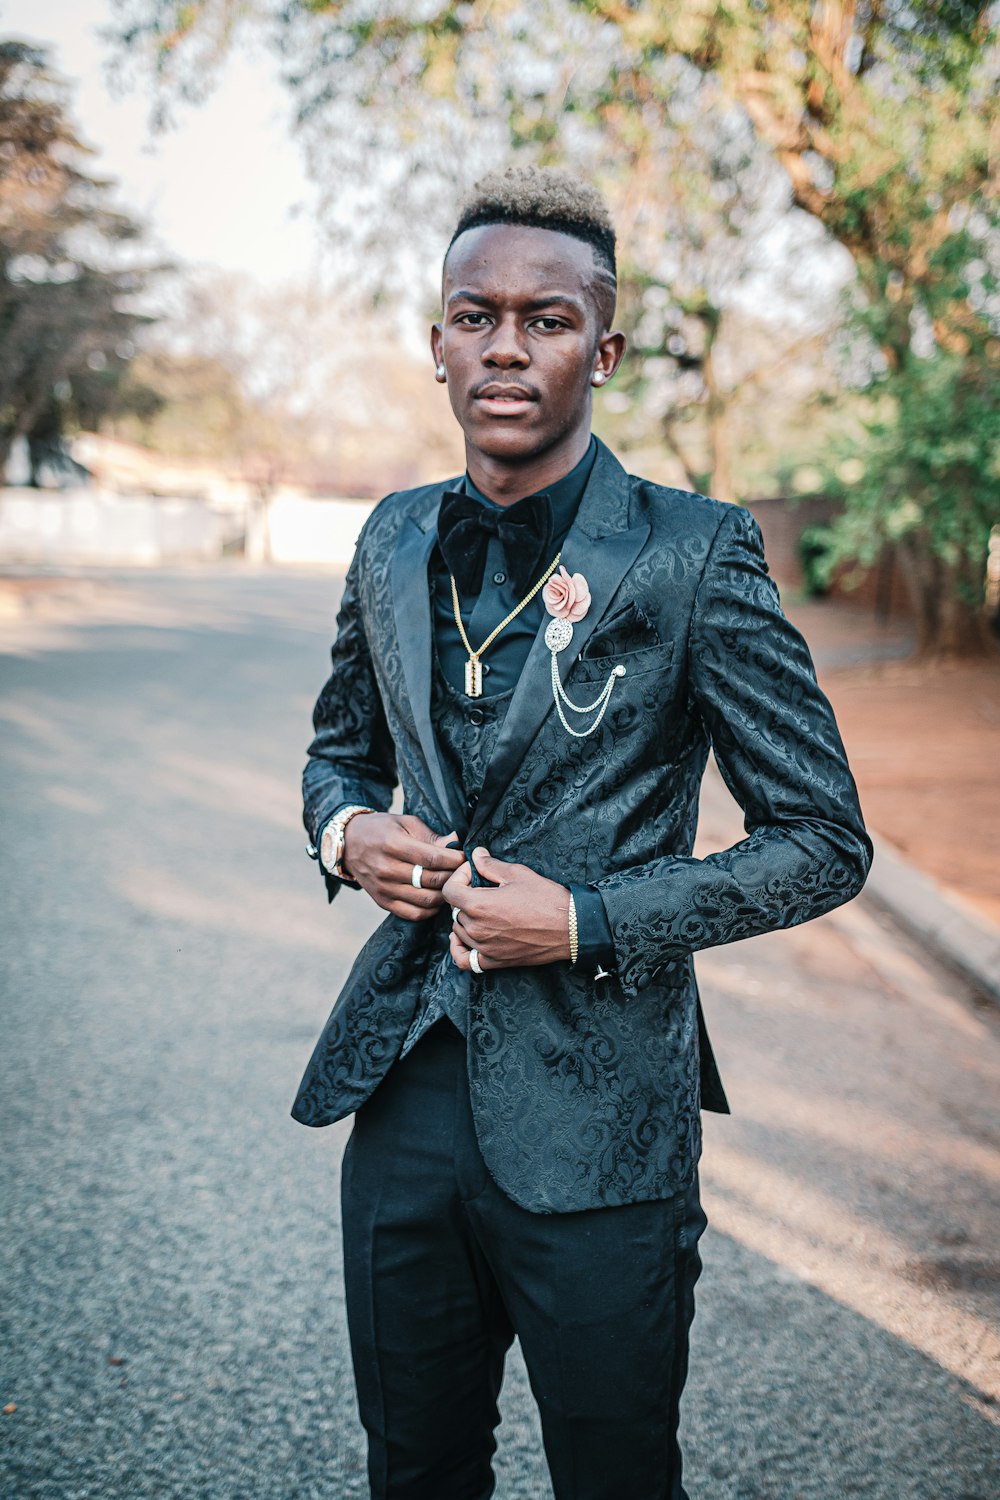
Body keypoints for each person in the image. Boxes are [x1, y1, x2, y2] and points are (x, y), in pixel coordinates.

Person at [293, 165, 872, 1500]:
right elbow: (337, 749)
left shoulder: (694, 552)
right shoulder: (386, 542)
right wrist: (348, 836)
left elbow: (823, 837)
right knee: (414, 1466)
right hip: (405, 1088)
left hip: (608, 1113)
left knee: (615, 1476)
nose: (507, 344)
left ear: (601, 350)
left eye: (546, 321)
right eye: (474, 314)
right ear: (436, 340)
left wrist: (591, 918)